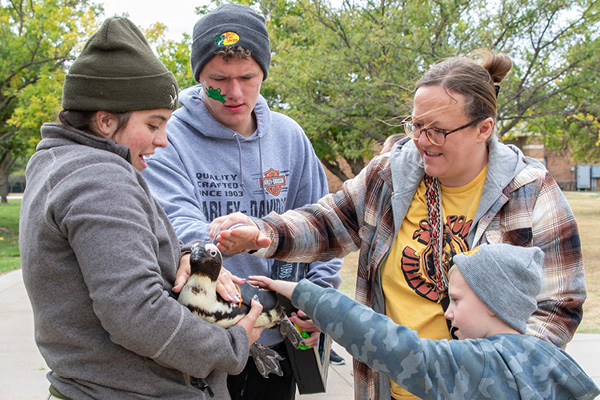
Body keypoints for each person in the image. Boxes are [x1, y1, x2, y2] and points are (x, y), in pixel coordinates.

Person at [209, 50, 587, 400]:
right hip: (387, 389)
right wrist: (263, 234)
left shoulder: (531, 191)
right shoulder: (390, 176)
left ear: (483, 128)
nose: (422, 142)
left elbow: (560, 305)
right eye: (416, 125)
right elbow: (327, 222)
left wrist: (499, 374)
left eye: (438, 130)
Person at [19, 17, 264, 400]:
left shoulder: (59, 164)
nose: (163, 140)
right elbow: (137, 314)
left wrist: (182, 255)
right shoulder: (99, 179)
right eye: (153, 124)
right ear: (104, 121)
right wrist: (233, 345)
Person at [141, 4, 343, 399]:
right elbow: (177, 221)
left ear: (264, 72)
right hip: (202, 344)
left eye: (248, 77)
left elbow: (324, 226)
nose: (234, 93)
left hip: (278, 341)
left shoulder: (289, 136)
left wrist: (317, 300)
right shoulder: (169, 138)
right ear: (198, 76)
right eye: (218, 79)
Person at [248, 244, 600, 400]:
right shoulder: (551, 358)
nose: (447, 313)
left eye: (457, 301)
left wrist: (300, 291)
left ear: (495, 305)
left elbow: (394, 346)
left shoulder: (479, 363)